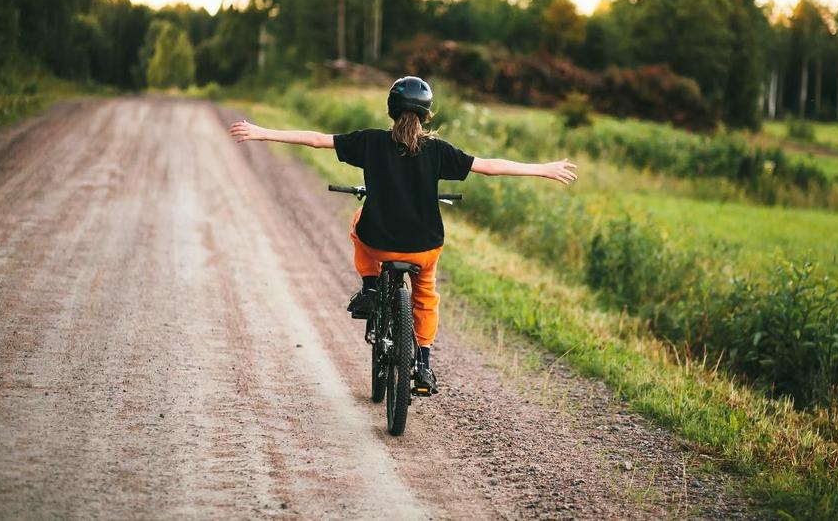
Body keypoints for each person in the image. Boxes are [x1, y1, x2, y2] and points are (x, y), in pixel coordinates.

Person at [229, 76, 577, 394]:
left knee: (357, 221)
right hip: (424, 249)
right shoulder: (438, 151)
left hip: (379, 245)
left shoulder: (371, 142)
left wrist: (263, 132)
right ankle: (423, 364)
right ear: (426, 115)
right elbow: (488, 166)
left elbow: (318, 140)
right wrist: (542, 169)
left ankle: (369, 287)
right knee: (425, 296)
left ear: (391, 111)